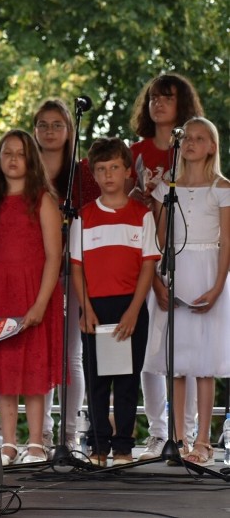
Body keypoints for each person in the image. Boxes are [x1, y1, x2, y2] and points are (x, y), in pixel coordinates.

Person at [143, 118, 230, 464]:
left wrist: (219, 285)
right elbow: (162, 239)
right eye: (187, 138)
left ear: (212, 146)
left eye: (199, 138)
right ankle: (178, 439)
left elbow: (226, 243)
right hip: (174, 272)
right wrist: (155, 199)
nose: (191, 143)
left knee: (204, 362)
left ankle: (204, 442)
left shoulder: (222, 187)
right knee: (176, 363)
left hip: (208, 271)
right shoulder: (169, 187)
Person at [0, 129, 63, 465]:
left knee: (33, 371)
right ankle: (8, 443)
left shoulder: (43, 200)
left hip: (32, 293)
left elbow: (54, 255)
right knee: (4, 371)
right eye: (6, 152)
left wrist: (40, 304)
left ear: (31, 160)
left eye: (20, 153)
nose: (12, 159)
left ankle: (36, 441)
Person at [70, 138, 159, 466]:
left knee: (126, 379)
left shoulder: (141, 215)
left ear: (127, 172)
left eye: (115, 168)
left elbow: (148, 266)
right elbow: (77, 267)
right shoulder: (83, 217)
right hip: (95, 306)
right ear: (94, 174)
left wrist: (135, 311)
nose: (108, 175)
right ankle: (98, 447)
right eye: (101, 169)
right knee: (96, 380)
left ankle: (123, 448)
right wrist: (87, 308)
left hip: (130, 306)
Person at [129, 73, 201, 461]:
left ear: (182, 104)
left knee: (184, 349)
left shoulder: (189, 149)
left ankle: (185, 435)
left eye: (168, 98)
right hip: (138, 256)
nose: (158, 103)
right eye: (154, 97)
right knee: (149, 350)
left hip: (185, 255)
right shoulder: (135, 150)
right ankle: (159, 434)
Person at [32, 99, 98, 452]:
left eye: (58, 124)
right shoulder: (26, 173)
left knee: (71, 354)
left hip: (73, 270)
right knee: (41, 352)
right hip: (34, 271)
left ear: (70, 130)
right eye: (43, 124)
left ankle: (68, 435)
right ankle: (40, 436)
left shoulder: (82, 173)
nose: (50, 131)